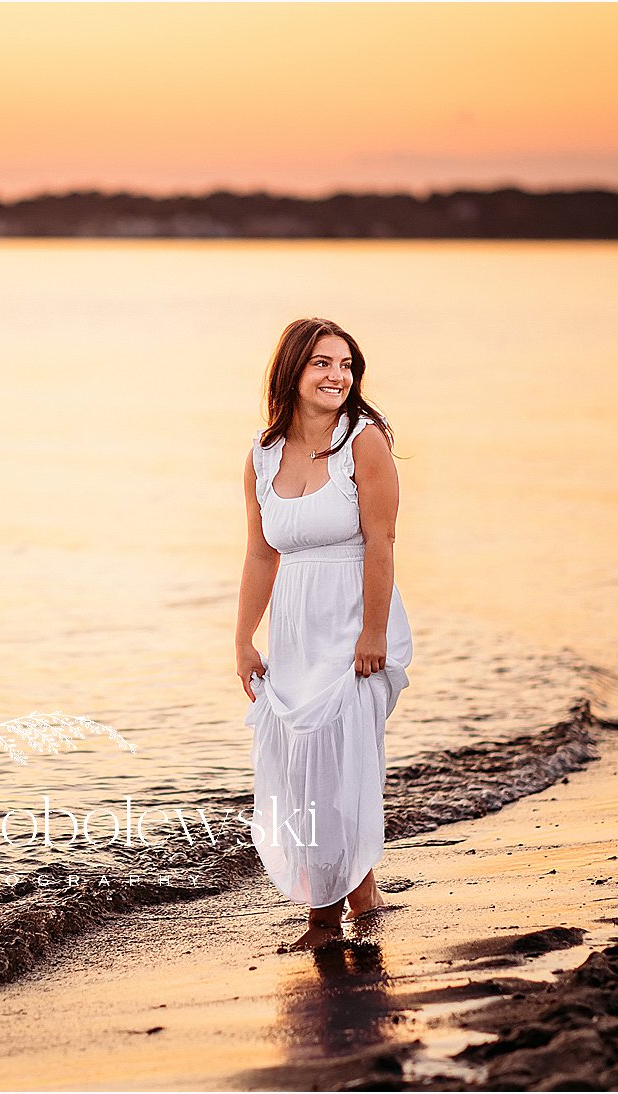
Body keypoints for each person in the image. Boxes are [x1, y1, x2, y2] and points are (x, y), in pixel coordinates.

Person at [235, 316, 413, 950]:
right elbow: (260, 555)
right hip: (292, 631)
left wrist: (372, 632)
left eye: (346, 365)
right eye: (322, 364)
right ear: (292, 371)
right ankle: (360, 891)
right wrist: (242, 639)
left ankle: (322, 920)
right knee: (298, 768)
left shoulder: (364, 442)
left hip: (353, 622)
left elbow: (382, 542)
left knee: (340, 768)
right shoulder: (261, 453)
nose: (337, 376)